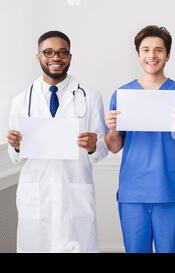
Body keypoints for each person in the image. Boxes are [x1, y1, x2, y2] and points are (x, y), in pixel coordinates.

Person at [7, 31, 108, 252]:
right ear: (38, 56)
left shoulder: (90, 96)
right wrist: (15, 145)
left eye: (62, 52)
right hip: (37, 192)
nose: (56, 58)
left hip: (74, 191)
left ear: (70, 57)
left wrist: (93, 146)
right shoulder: (21, 101)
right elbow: (15, 158)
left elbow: (102, 149)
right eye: (49, 52)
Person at [104, 25, 175, 253]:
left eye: (158, 50)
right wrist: (113, 129)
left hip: (170, 189)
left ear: (168, 55)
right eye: (146, 50)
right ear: (138, 55)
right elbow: (115, 147)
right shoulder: (122, 95)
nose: (151, 55)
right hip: (133, 190)